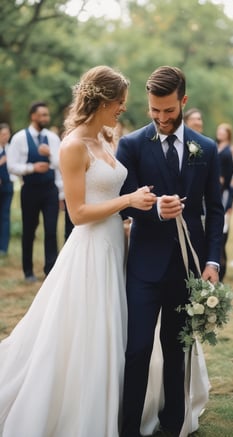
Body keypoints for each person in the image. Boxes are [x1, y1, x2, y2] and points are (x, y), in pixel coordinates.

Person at [0, 65, 157, 436]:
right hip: (90, 251)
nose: (122, 108)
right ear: (102, 100)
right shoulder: (72, 146)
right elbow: (78, 213)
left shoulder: (104, 138)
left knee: (114, 326)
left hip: (115, 245)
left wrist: (132, 214)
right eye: (119, 102)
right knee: (86, 331)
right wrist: (128, 202)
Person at [116, 65, 224, 437]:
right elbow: (124, 204)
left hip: (187, 267)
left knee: (177, 351)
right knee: (137, 351)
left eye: (169, 111)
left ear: (183, 101)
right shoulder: (130, 145)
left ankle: (173, 424)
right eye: (154, 111)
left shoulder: (206, 148)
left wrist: (212, 261)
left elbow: (216, 209)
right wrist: (153, 208)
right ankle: (128, 428)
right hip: (144, 267)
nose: (162, 118)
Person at [7, 102, 63, 282]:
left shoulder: (53, 138)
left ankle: (50, 269)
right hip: (30, 190)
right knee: (29, 230)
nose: (46, 118)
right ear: (33, 116)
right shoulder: (19, 138)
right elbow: (11, 166)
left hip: (50, 190)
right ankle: (28, 271)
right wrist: (31, 168)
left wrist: (50, 155)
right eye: (42, 115)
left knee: (51, 230)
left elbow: (62, 164)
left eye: (47, 115)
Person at [216, 122, 233, 281]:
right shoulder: (217, 147)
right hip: (217, 190)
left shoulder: (228, 152)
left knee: (222, 232)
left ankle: (221, 270)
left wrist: (230, 203)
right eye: (219, 130)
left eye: (223, 131)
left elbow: (229, 178)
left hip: (224, 193)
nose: (220, 133)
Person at [0, 123, 14, 257]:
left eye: (7, 134)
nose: (6, 137)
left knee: (5, 216)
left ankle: (3, 248)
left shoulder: (11, 149)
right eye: (3, 134)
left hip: (8, 186)